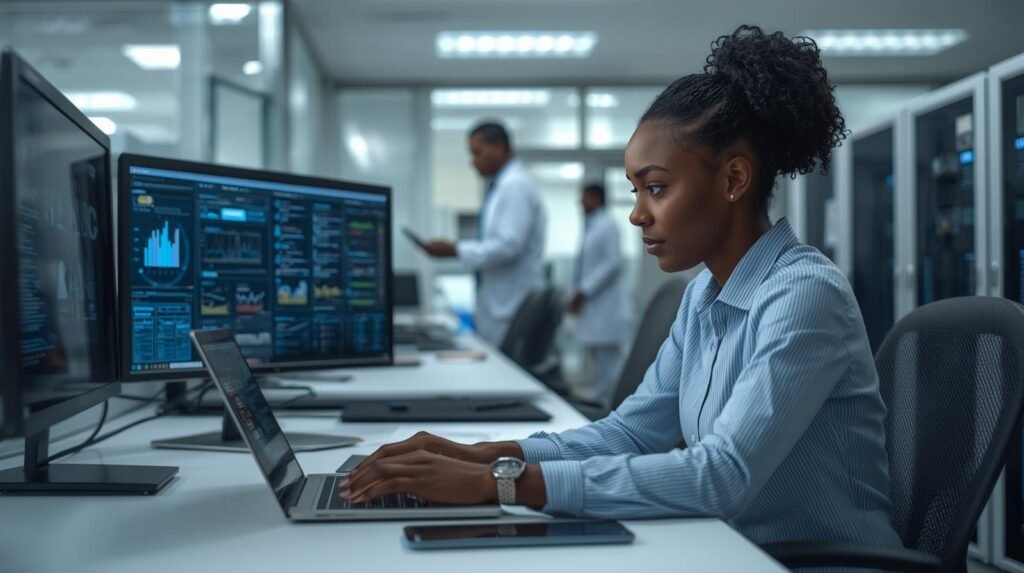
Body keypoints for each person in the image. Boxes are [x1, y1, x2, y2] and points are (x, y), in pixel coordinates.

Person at [342, 25, 902, 557]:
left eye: (656, 187)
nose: (637, 214)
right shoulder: (704, 296)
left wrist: (503, 484)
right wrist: (487, 454)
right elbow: (633, 431)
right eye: (636, 190)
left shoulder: (805, 294)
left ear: (733, 179)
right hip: (726, 549)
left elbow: (722, 475)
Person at [421, 122, 546, 346]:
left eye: (476, 153)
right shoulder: (501, 187)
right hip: (502, 304)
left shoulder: (515, 186)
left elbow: (509, 245)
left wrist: (455, 250)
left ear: (498, 147)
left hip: (511, 306)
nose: (472, 161)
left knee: (509, 374)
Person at [568, 183, 632, 407]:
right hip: (596, 307)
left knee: (610, 360)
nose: (580, 202)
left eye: (584, 197)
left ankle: (612, 404)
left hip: (606, 307)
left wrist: (583, 291)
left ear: (596, 198)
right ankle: (602, 399)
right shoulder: (592, 226)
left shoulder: (607, 226)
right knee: (600, 358)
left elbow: (613, 264)